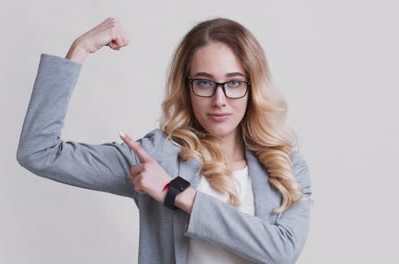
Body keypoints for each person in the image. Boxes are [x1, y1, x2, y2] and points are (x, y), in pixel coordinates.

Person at [16, 16, 313, 264]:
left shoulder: (286, 168)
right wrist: (79, 50)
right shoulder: (157, 157)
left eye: (233, 82)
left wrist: (177, 193)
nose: (219, 99)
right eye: (205, 83)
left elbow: (282, 251)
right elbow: (39, 152)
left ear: (252, 87)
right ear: (187, 88)